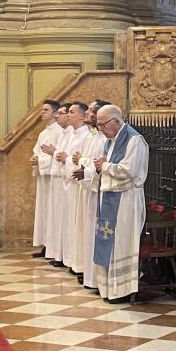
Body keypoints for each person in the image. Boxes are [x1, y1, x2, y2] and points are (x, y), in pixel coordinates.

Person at [92, 105, 148, 304]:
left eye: (102, 124)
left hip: (126, 201)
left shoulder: (134, 140)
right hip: (111, 197)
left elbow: (130, 171)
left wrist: (104, 166)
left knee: (122, 243)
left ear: (116, 120)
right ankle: (107, 288)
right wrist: (101, 166)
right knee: (110, 242)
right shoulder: (110, 141)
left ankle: (122, 290)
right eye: (97, 125)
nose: (100, 129)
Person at [75, 100, 107, 290]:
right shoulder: (93, 137)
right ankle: (88, 273)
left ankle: (94, 277)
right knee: (86, 232)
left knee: (93, 233)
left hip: (96, 192)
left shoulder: (103, 139)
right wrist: (81, 164)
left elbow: (99, 165)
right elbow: (88, 162)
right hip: (87, 189)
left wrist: (84, 168)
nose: (87, 112)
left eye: (91, 110)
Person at [59, 102, 92, 275]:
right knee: (69, 224)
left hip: (77, 185)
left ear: (81, 115)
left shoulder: (85, 136)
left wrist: (66, 159)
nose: (68, 115)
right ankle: (70, 259)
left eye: (72, 112)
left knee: (75, 224)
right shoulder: (73, 134)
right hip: (68, 184)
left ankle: (76, 262)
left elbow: (83, 160)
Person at [44, 105, 73, 267]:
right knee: (57, 220)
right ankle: (57, 253)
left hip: (68, 182)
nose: (58, 116)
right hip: (60, 179)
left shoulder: (74, 135)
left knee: (65, 221)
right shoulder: (65, 134)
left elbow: (67, 157)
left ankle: (63, 256)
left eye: (62, 113)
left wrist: (54, 153)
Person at [31, 100, 60, 258]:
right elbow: (38, 150)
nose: (42, 112)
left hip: (53, 177)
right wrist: (35, 158)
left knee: (51, 212)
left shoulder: (58, 132)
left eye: (46, 110)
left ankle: (52, 247)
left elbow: (58, 154)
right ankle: (45, 245)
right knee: (43, 211)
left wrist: (40, 161)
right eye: (42, 109)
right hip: (44, 178)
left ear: (55, 113)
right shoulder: (43, 133)